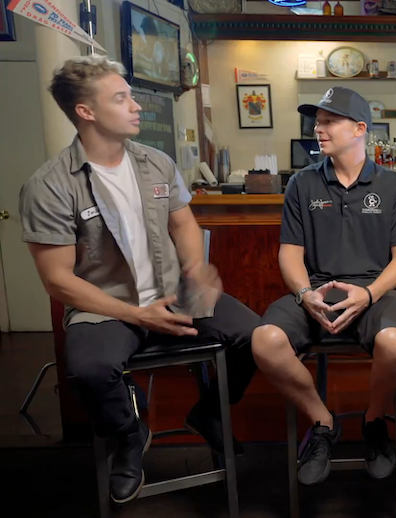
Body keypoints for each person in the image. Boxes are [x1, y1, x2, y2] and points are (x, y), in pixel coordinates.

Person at [19, 56, 258, 504]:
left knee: (260, 336)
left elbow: (184, 224)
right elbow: (58, 281)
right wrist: (137, 314)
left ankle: (208, 414)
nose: (136, 106)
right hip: (105, 306)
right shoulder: (49, 185)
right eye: (121, 98)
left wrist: (193, 269)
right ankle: (129, 435)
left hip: (173, 293)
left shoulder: (156, 163)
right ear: (86, 112)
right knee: (90, 371)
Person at [250, 87, 396, 486]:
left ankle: (374, 420)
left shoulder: (392, 185)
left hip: (377, 293)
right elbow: (290, 254)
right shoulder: (301, 184)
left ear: (360, 128)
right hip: (316, 292)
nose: (317, 129)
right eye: (317, 121)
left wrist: (371, 293)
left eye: (329, 121)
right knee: (264, 340)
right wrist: (305, 294)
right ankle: (323, 422)